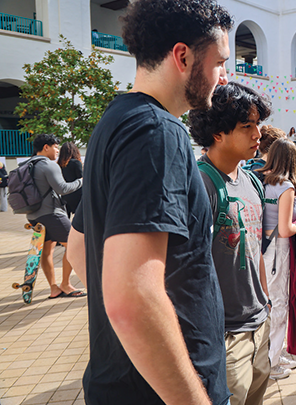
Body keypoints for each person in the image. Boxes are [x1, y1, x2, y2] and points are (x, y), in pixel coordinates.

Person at [65, 1, 233, 403]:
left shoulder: (117, 121)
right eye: (220, 63)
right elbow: (131, 298)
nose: (224, 77)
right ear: (182, 56)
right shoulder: (158, 132)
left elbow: (77, 249)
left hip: (126, 382)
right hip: (164, 391)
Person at [188, 82, 273, 405]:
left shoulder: (251, 179)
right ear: (217, 133)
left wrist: (266, 303)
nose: (258, 135)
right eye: (247, 127)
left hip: (259, 322)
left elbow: (256, 250)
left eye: (258, 125)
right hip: (222, 333)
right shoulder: (199, 184)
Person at [257, 139, 296, 380]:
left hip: (259, 249)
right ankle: (272, 362)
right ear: (291, 160)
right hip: (278, 249)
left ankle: (273, 355)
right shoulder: (285, 186)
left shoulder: (258, 179)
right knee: (278, 305)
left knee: (265, 304)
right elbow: (286, 228)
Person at [23, 134, 85, 299]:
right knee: (74, 246)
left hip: (33, 215)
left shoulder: (27, 164)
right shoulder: (48, 165)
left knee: (47, 250)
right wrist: (81, 181)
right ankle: (66, 284)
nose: (57, 150)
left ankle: (54, 288)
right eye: (56, 147)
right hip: (52, 214)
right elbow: (63, 188)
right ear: (46, 147)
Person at [58, 142, 83, 218]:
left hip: (65, 195)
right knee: (79, 220)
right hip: (78, 195)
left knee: (66, 219)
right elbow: (81, 178)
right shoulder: (76, 163)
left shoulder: (59, 165)